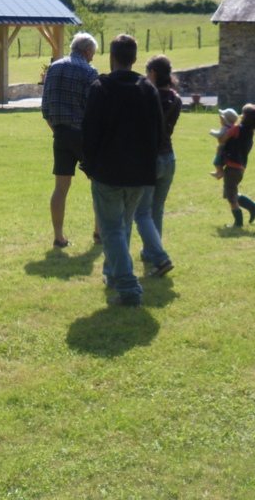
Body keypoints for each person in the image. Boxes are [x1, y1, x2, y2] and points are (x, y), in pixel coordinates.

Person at [82, 34, 165, 307]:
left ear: (112, 57)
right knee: (122, 227)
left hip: (109, 171)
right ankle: (112, 274)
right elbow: (158, 133)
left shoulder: (101, 88)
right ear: (135, 59)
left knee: (112, 230)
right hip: (139, 173)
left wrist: (89, 164)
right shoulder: (148, 89)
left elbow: (90, 132)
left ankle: (129, 289)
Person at [41, 32, 99, 249]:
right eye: (92, 53)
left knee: (60, 188)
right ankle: (98, 233)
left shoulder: (54, 67)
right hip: (83, 135)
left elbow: (45, 107)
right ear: (86, 51)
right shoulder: (89, 71)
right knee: (99, 183)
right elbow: (94, 108)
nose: (92, 58)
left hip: (60, 133)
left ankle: (58, 236)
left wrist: (56, 130)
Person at [130, 55, 181, 278]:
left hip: (149, 160)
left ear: (152, 73)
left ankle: (159, 255)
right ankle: (151, 251)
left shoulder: (146, 96)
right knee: (156, 210)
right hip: (169, 158)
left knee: (141, 213)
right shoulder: (177, 99)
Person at [215, 104, 255, 228]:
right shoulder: (249, 132)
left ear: (246, 117)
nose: (240, 115)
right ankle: (253, 207)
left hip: (232, 167)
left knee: (231, 197)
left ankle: (238, 223)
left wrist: (222, 131)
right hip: (240, 167)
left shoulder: (237, 128)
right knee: (230, 192)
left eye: (242, 113)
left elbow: (223, 139)